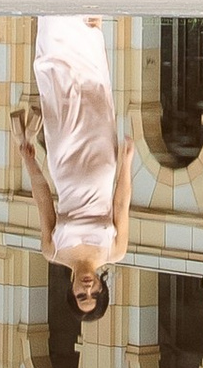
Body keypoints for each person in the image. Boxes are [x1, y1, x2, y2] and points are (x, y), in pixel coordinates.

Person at [18, 16, 134, 317]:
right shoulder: (115, 251)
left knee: (60, 88)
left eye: (82, 295)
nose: (87, 289)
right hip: (101, 156)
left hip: (64, 156)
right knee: (94, 86)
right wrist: (126, 163)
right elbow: (121, 204)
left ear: (71, 292)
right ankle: (87, 24)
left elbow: (42, 199)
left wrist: (29, 161)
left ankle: (54, 20)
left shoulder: (53, 251)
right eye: (94, 293)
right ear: (101, 287)